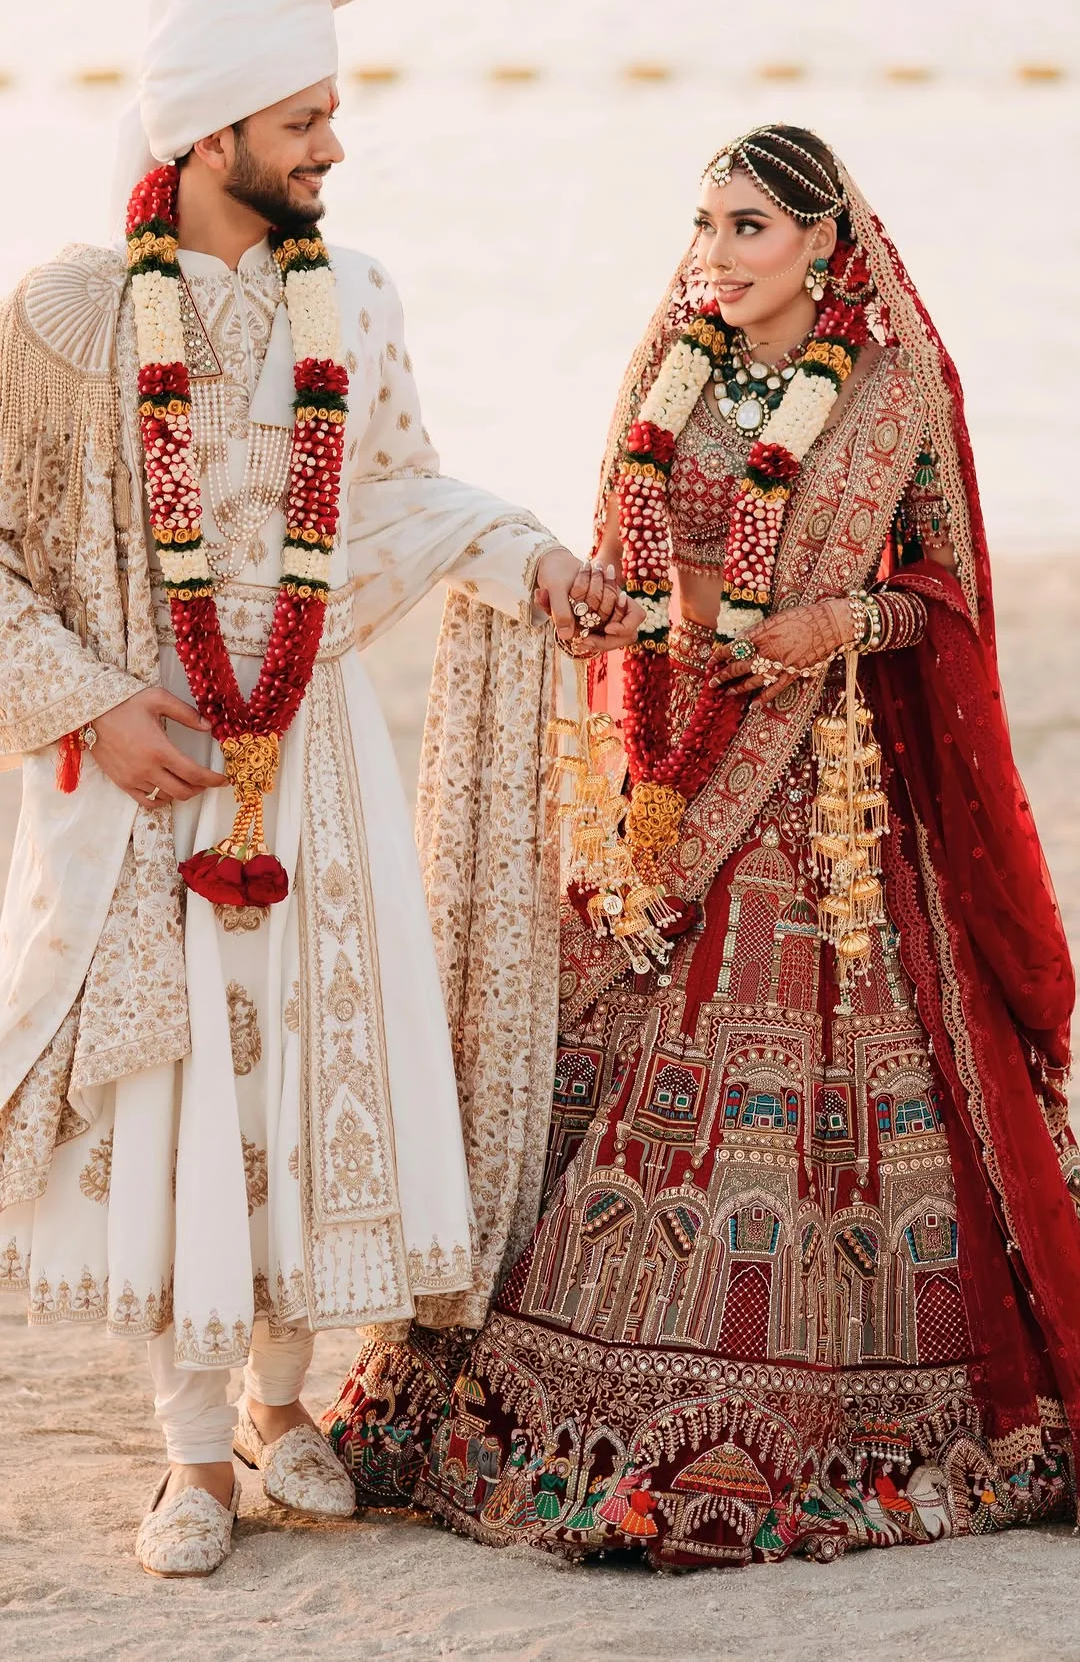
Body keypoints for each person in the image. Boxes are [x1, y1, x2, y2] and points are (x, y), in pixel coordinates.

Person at [325, 124, 1080, 1568]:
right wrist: (606, 614)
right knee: (598, 1037)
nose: (715, 256)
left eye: (749, 228)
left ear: (822, 243)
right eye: (705, 225)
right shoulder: (669, 367)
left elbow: (948, 592)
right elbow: (622, 545)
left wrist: (838, 621)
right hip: (672, 781)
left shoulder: (893, 391)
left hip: (825, 797)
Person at [0, 0, 639, 1579]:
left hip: (314, 746)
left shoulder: (351, 296)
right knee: (180, 1088)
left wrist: (530, 557)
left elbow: (399, 494)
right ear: (208, 131)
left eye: (331, 112)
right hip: (147, 756)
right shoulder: (69, 316)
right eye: (302, 119)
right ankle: (190, 1451)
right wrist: (91, 706)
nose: (333, 146)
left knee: (304, 1061)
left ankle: (284, 1405)